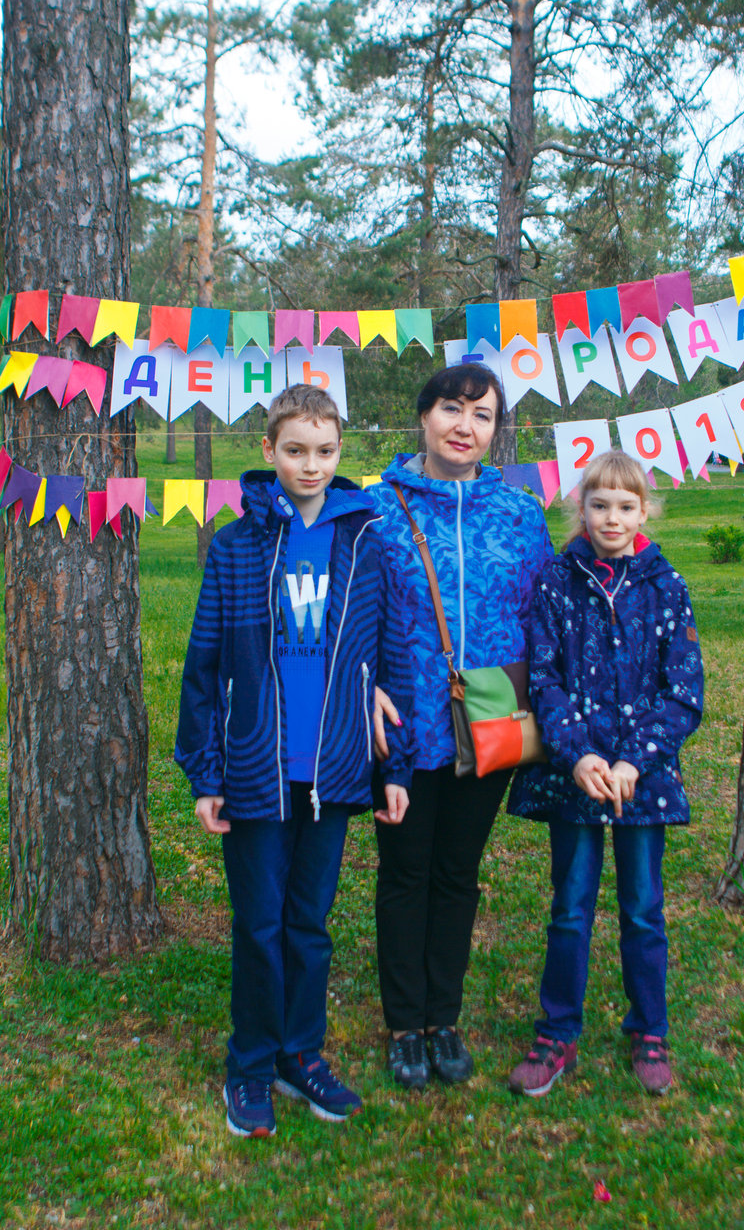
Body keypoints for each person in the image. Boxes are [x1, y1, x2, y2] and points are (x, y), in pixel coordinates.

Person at [175, 384, 413, 1138]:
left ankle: (300, 1054)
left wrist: (396, 768)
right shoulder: (237, 546)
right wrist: (206, 774)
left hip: (335, 767)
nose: (312, 465)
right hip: (256, 767)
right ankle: (249, 1064)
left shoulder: (366, 541)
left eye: (326, 451)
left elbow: (393, 657)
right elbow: (204, 667)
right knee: (258, 925)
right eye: (296, 451)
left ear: (341, 451)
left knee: (308, 923)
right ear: (269, 451)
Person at [369, 362, 553, 1090]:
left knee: (456, 874)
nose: (465, 426)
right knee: (404, 873)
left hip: (491, 725)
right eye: (452, 408)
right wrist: (363, 689)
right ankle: (402, 1024)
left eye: (482, 415)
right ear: (424, 416)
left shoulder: (520, 514)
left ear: (495, 430)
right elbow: (353, 616)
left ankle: (442, 1018)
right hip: (404, 725)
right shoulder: (374, 510)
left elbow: (541, 617)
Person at [507, 449, 703, 1098]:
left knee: (642, 909)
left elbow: (683, 693)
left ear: (644, 512)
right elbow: (543, 680)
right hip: (577, 779)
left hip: (641, 781)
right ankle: (557, 1032)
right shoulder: (556, 583)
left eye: (624, 506)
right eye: (598, 505)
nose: (611, 518)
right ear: (580, 509)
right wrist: (580, 756)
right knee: (570, 907)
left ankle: (649, 1029)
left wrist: (631, 761)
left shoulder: (665, 586)